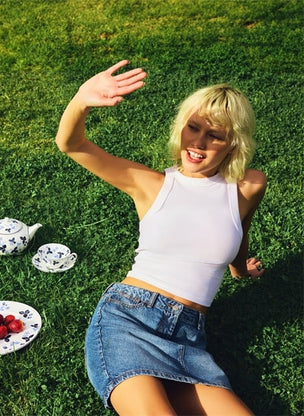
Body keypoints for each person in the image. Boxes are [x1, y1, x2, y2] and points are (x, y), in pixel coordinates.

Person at [55, 60, 266, 415]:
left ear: (233, 143)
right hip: (129, 320)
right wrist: (81, 100)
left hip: (188, 339)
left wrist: (239, 268)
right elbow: (71, 145)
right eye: (193, 128)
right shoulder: (152, 184)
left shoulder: (249, 186)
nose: (198, 143)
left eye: (214, 135)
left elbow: (239, 228)